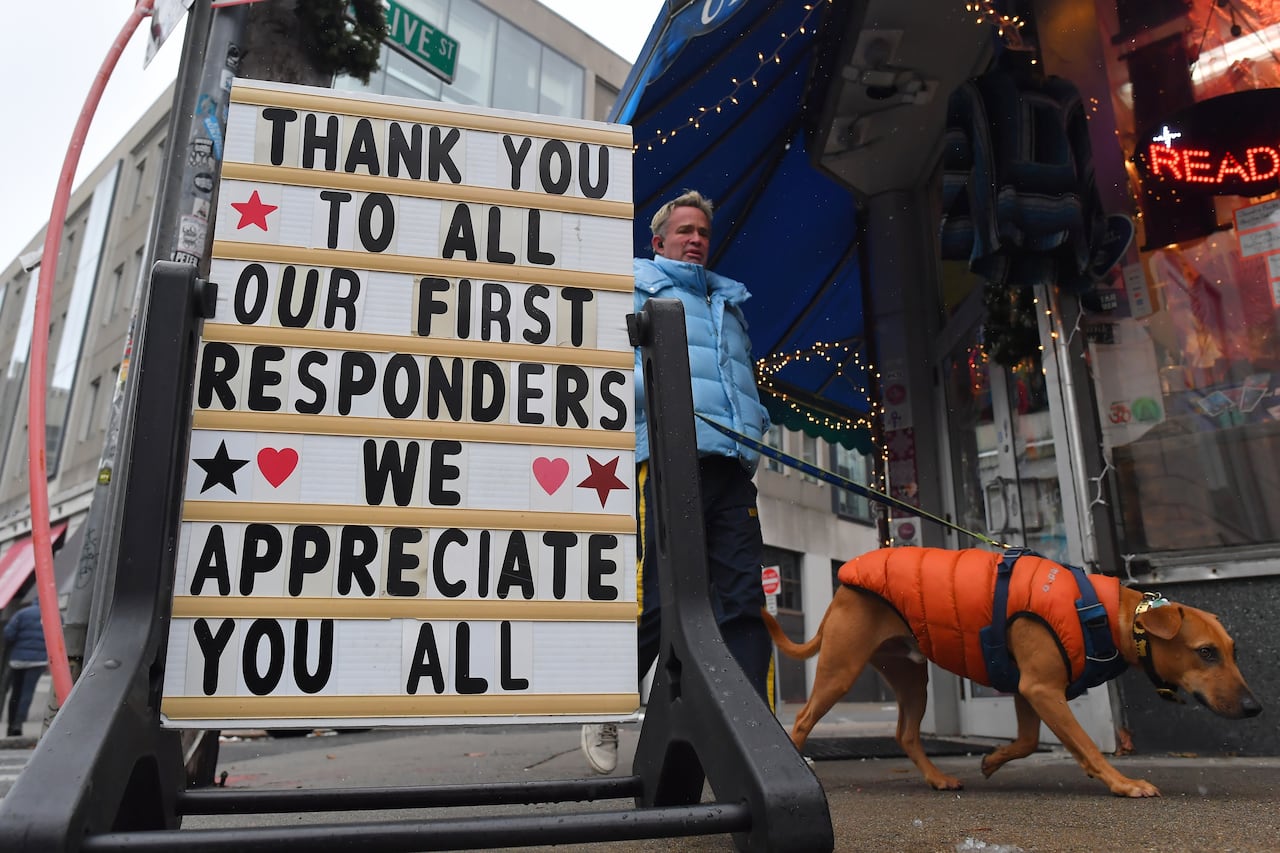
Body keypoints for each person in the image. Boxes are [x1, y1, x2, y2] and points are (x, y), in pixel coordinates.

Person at [581, 190, 774, 774]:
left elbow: (743, 386)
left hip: (729, 469)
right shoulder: (633, 288)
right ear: (657, 240)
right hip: (665, 459)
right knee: (662, 599)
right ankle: (604, 705)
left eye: (703, 233)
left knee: (743, 603)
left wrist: (753, 429)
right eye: (684, 230)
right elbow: (610, 374)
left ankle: (760, 740)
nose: (696, 239)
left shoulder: (730, 304)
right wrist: (670, 396)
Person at [4, 600, 49, 737]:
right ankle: (18, 723)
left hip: (18, 660)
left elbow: (8, 633)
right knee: (27, 693)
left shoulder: (22, 613)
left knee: (15, 692)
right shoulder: (52, 615)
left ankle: (11, 725)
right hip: (38, 661)